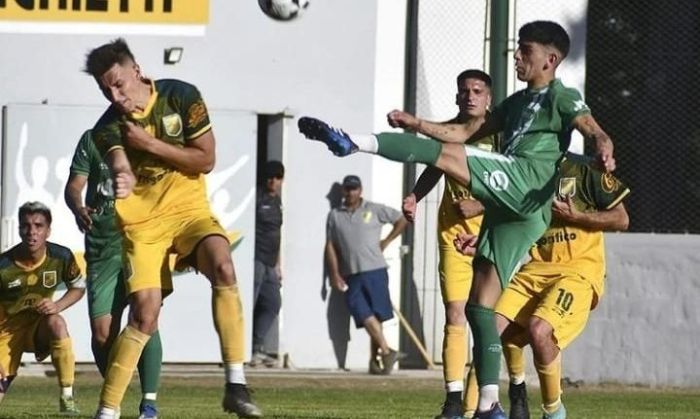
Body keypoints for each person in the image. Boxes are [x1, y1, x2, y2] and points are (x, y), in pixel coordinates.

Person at [298, 21, 616, 418]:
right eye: (517, 47)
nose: (516, 55)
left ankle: (351, 143)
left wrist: (603, 145)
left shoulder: (560, 96)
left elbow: (592, 128)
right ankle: (488, 405)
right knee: (479, 309)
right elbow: (462, 131)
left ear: (550, 60)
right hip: (519, 213)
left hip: (525, 180)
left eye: (525, 50)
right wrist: (417, 124)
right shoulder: (515, 104)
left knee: (447, 156)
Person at [83, 38, 261, 419]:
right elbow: (117, 160)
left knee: (224, 266)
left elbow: (206, 160)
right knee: (145, 316)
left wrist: (149, 144)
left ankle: (236, 384)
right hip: (143, 226)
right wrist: (123, 173)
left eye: (118, 84)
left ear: (137, 71)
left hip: (188, 211)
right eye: (105, 90)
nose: (115, 96)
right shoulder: (107, 126)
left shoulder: (181, 97)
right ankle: (108, 411)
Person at [455, 156, 630, 419]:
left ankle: (553, 411)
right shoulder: (525, 174)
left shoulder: (584, 169)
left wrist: (577, 216)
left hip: (578, 271)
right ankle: (473, 411)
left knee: (539, 329)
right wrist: (482, 241)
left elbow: (621, 219)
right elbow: (515, 219)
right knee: (488, 330)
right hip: (537, 269)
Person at [402, 69, 496, 419]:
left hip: (492, 233)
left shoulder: (500, 134)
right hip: (453, 234)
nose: (470, 96)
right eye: (464, 90)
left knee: (487, 318)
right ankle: (453, 402)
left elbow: (518, 186)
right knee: (455, 313)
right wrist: (413, 195)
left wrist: (481, 204)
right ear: (457, 96)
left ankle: (496, 399)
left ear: (489, 98)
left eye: (477, 90)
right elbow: (435, 166)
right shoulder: (449, 133)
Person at [64, 129, 163, 419]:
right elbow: (74, 185)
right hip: (102, 247)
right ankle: (115, 393)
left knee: (146, 318)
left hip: (141, 241)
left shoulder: (150, 137)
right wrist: (77, 206)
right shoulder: (93, 139)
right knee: (102, 334)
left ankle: (148, 405)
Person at [0, 202, 85, 415]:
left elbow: (78, 288)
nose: (32, 232)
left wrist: (57, 305)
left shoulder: (61, 257)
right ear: (19, 229)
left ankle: (67, 396)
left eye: (38, 226)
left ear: (48, 230)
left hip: (38, 327)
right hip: (5, 335)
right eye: (26, 226)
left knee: (57, 322)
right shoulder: (4, 266)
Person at [325, 175, 408, 374]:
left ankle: (375, 361)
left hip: (375, 269)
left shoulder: (374, 209)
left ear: (360, 190)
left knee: (376, 315)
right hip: (351, 272)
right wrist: (334, 273)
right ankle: (387, 351)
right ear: (343, 191)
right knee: (360, 310)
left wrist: (387, 241)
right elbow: (330, 245)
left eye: (354, 189)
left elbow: (402, 219)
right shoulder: (335, 215)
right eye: (347, 189)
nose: (350, 192)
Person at [250, 160, 285, 367]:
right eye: (270, 178)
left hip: (271, 263)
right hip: (256, 258)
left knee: (273, 303)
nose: (273, 182)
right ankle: (244, 351)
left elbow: (277, 234)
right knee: (250, 303)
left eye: (278, 178)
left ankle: (257, 346)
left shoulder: (278, 201)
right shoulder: (257, 197)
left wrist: (278, 264)